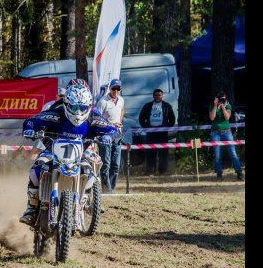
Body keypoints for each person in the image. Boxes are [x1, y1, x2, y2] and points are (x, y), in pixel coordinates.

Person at [18, 80, 118, 225]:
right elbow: (32, 120)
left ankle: (83, 203)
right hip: (52, 151)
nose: (78, 111)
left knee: (90, 173)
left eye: (82, 107)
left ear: (88, 105)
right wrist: (29, 129)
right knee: (36, 170)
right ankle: (31, 209)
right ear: (66, 104)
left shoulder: (93, 117)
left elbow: (112, 129)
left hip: (79, 155)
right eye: (74, 107)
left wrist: (108, 136)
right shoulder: (57, 113)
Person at [95, 78, 124, 193]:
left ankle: (111, 187)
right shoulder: (103, 102)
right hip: (105, 135)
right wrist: (111, 124)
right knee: (106, 163)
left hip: (117, 135)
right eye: (114, 89)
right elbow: (96, 118)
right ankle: (106, 188)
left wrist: (119, 121)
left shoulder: (121, 100)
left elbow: (122, 110)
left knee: (116, 164)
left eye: (118, 89)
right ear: (110, 89)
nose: (116, 91)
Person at [138, 88, 176, 175]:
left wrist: (166, 127)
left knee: (163, 152)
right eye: (156, 95)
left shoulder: (167, 106)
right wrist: (146, 127)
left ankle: (163, 171)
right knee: (150, 152)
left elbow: (172, 118)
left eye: (159, 95)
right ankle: (150, 172)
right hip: (151, 133)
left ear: (162, 96)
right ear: (153, 96)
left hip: (162, 133)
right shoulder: (147, 106)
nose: (157, 97)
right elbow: (141, 118)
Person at [208, 91, 243, 181]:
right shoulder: (212, 106)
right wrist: (215, 105)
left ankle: (239, 172)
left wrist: (223, 108)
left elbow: (227, 117)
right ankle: (219, 174)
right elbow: (212, 117)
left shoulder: (228, 106)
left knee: (233, 153)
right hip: (215, 133)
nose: (222, 100)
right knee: (217, 155)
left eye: (224, 99)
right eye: (221, 99)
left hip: (227, 132)